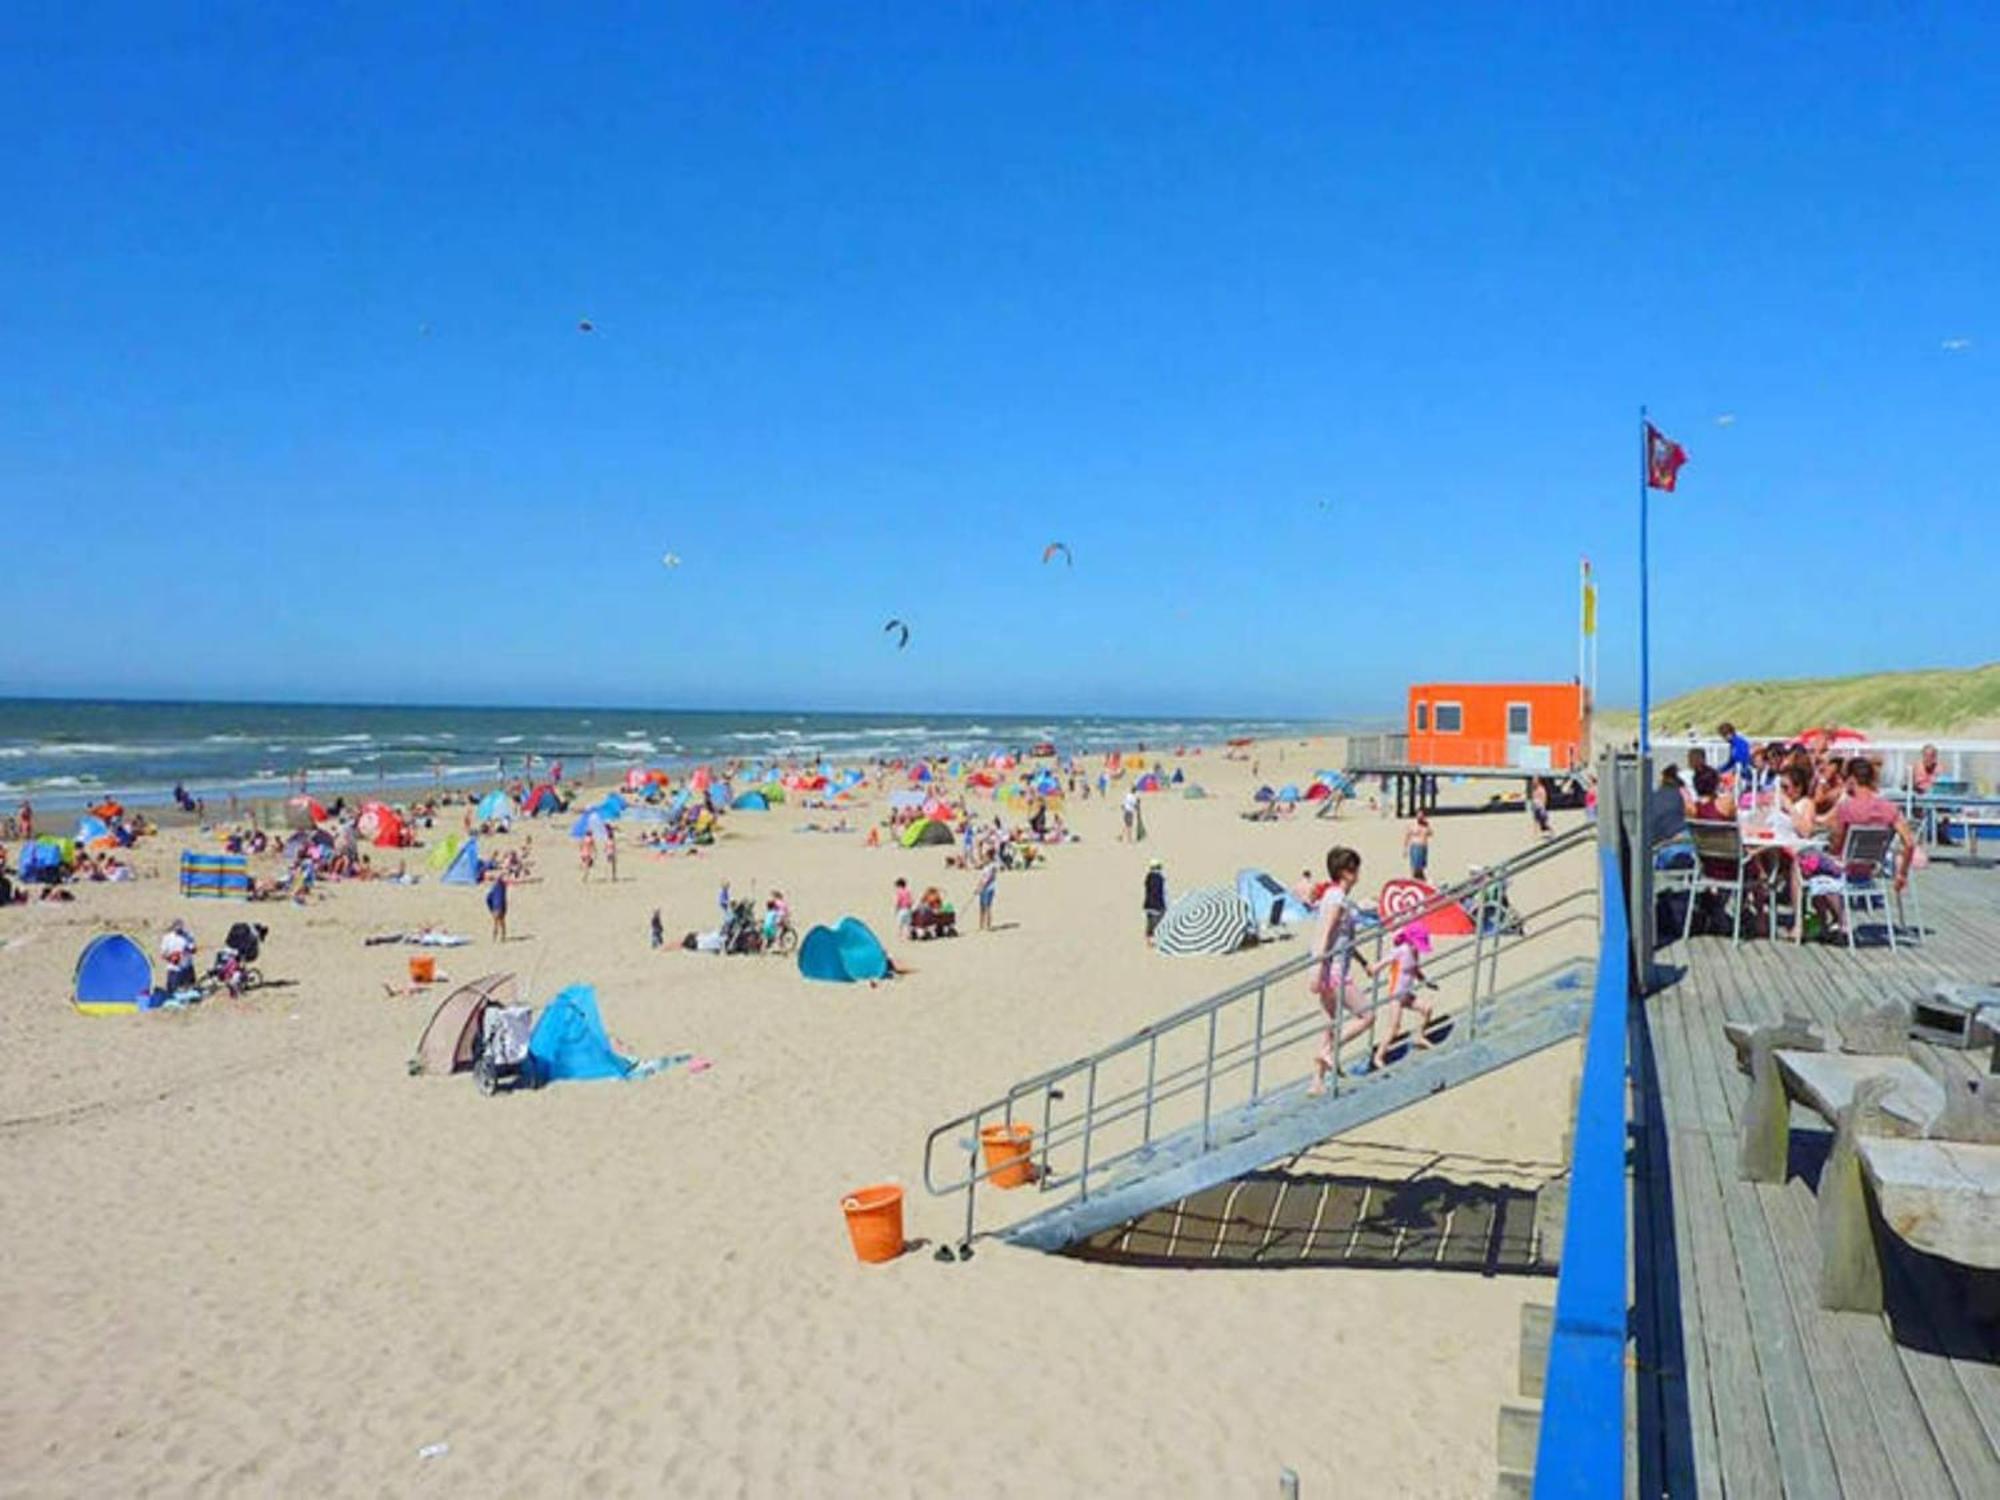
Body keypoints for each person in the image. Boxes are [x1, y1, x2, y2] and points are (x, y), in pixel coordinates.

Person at [1306, 847, 1377, 1096]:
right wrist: (1318, 967)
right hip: (1334, 971)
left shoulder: (1334, 896)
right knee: (1367, 1016)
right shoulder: (1336, 899)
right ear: (1346, 872)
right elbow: (1325, 932)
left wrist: (1363, 961)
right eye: (1355, 869)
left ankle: (1317, 1081)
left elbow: (1343, 937)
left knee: (1329, 1023)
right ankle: (1329, 1052)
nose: (1359, 874)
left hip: (1331, 968)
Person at [1372, 923, 1437, 1071]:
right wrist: (1375, 968)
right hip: (1396, 994)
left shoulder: (1414, 952)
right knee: (1394, 1027)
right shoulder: (1402, 950)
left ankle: (1419, 1036)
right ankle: (1379, 1056)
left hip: (1406, 993)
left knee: (1427, 1009)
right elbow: (1385, 961)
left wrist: (1426, 982)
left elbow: (1415, 970)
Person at [160, 920, 197, 993]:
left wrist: (189, 950)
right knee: (173, 991)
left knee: (189, 988)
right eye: (177, 929)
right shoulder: (167, 938)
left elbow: (194, 949)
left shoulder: (188, 936)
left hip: (187, 967)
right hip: (174, 969)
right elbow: (163, 954)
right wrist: (171, 958)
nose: (179, 931)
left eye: (181, 929)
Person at [1143, 859, 1167, 943]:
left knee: (1150, 922)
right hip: (1157, 905)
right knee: (1157, 922)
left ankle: (1150, 939)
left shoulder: (1148, 877)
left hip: (1148, 904)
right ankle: (1154, 938)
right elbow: (1159, 892)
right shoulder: (1159, 878)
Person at [1404, 810, 1432, 881]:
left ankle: (1423, 880)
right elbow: (1407, 836)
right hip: (1415, 847)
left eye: (1422, 816)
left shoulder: (1426, 825)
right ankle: (1413, 879)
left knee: (1422, 867)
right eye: (1418, 815)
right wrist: (1405, 849)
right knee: (1415, 867)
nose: (1420, 817)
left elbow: (1430, 833)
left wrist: (1426, 826)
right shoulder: (1413, 825)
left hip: (1423, 848)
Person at [975, 856, 998, 932]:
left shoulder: (992, 867)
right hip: (983, 889)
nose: (984, 859)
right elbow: (982, 878)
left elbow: (989, 878)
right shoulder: (985, 868)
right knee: (982, 907)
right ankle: (981, 925)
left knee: (988, 907)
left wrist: (981, 887)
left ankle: (988, 925)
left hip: (989, 889)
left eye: (985, 858)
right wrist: (978, 887)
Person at [487, 873, 509, 941]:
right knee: (502, 922)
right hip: (501, 906)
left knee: (495, 923)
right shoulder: (503, 888)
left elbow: (488, 898)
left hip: (495, 907)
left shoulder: (494, 888)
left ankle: (495, 937)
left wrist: (490, 908)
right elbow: (503, 899)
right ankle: (502, 936)